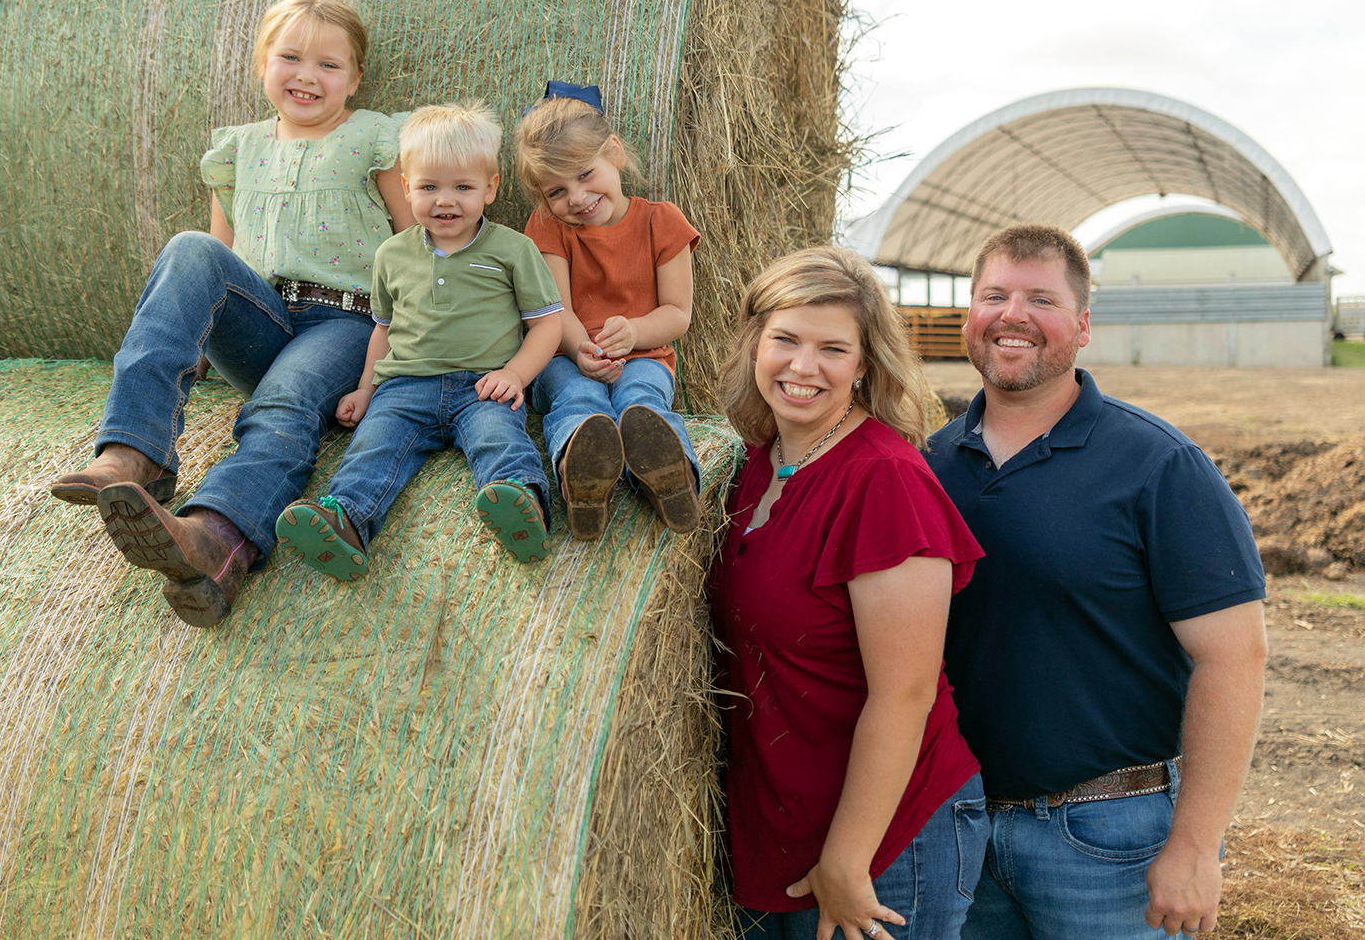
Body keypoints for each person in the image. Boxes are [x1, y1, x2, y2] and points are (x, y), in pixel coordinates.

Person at [925, 224, 1268, 939]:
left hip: (1111, 839)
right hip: (961, 829)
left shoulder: (1158, 465)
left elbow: (1233, 656)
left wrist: (1196, 844)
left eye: (1041, 299)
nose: (1013, 314)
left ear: (1082, 327)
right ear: (971, 315)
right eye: (995, 295)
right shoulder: (928, 464)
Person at [48, 0, 414, 627]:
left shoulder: (376, 139)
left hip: (349, 323)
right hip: (264, 317)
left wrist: (400, 356)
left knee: (284, 400)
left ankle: (216, 538)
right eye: (290, 57)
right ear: (262, 64)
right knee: (191, 248)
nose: (307, 75)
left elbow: (417, 249)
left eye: (329, 65)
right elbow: (220, 267)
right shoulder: (237, 149)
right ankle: (135, 452)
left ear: (355, 79)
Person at [710, 245, 990, 940]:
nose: (803, 368)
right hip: (778, 824)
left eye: (832, 348)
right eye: (785, 341)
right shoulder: (757, 463)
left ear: (865, 363)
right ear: (755, 345)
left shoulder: (884, 481)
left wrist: (847, 855)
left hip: (886, 839)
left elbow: (905, 693)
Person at [275, 101, 563, 579]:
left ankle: (522, 504)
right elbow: (383, 330)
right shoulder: (391, 254)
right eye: (429, 187)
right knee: (372, 448)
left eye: (462, 188)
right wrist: (366, 389)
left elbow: (548, 323)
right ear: (406, 187)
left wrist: (515, 375)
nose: (445, 201)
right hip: (404, 388)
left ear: (490, 188)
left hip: (482, 386)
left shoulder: (514, 250)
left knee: (500, 439)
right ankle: (345, 521)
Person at [511, 85, 702, 540]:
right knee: (579, 400)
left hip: (644, 355)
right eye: (557, 190)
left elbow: (678, 313)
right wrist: (581, 349)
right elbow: (554, 311)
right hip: (564, 355)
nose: (576, 198)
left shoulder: (662, 222)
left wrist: (635, 331)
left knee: (642, 401)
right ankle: (582, 479)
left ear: (614, 152)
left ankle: (672, 478)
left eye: (584, 174)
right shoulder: (548, 226)